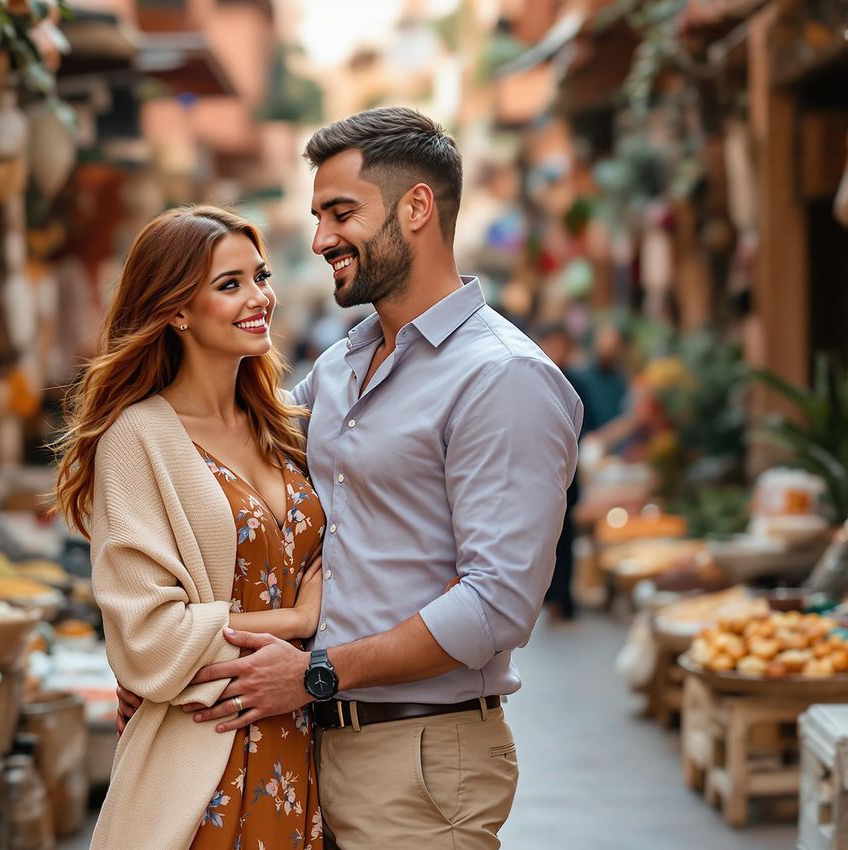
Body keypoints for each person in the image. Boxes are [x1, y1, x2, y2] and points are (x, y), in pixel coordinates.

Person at [120, 108, 584, 849]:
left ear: (417, 208)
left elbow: (496, 605)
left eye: (341, 213)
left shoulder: (503, 377)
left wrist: (317, 672)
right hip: (305, 751)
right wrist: (170, 663)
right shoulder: (341, 366)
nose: (320, 239)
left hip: (421, 757)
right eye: (316, 215)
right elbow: (238, 479)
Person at [55, 206, 326, 850]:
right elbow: (149, 638)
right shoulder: (137, 437)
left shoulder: (284, 428)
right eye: (229, 285)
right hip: (202, 766)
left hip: (304, 755)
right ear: (178, 309)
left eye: (259, 277)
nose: (260, 298)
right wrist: (296, 622)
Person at [535, 323, 588, 621]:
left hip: (568, 472)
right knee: (544, 535)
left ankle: (563, 600)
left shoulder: (575, 380)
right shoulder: (534, 374)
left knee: (565, 538)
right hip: (540, 471)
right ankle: (546, 596)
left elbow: (584, 426)